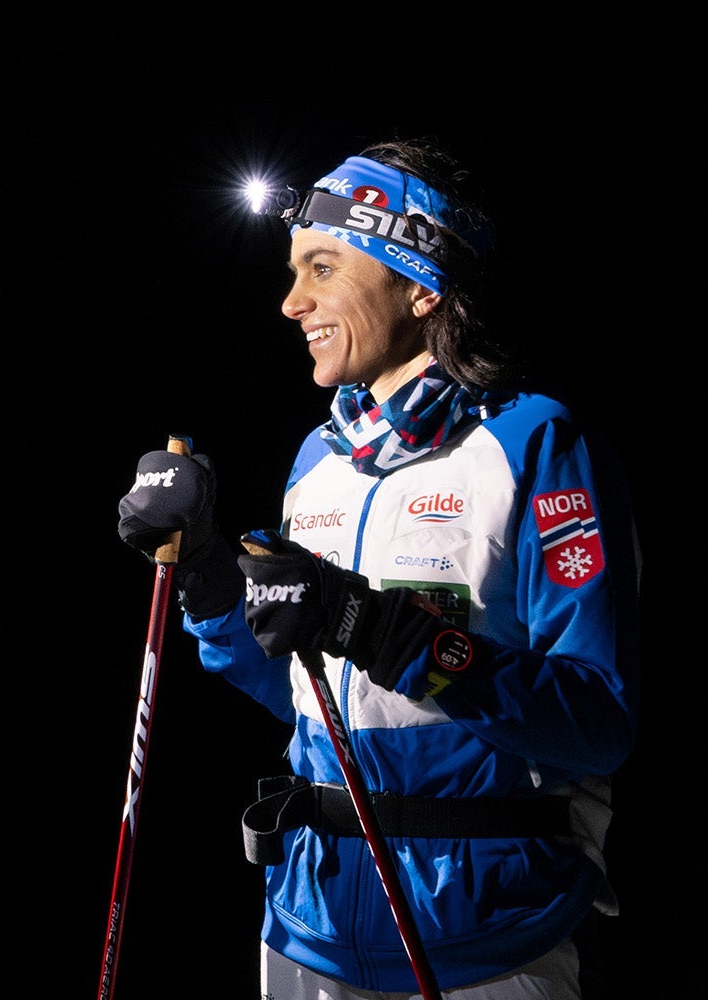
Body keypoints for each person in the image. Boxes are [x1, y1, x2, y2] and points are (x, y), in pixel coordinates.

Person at [115, 139, 639, 998]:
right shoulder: (318, 458)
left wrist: (374, 624)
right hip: (306, 931)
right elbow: (303, 689)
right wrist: (208, 574)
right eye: (292, 272)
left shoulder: (535, 442)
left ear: (420, 283)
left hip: (485, 941)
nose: (291, 303)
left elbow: (595, 722)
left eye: (322, 267)